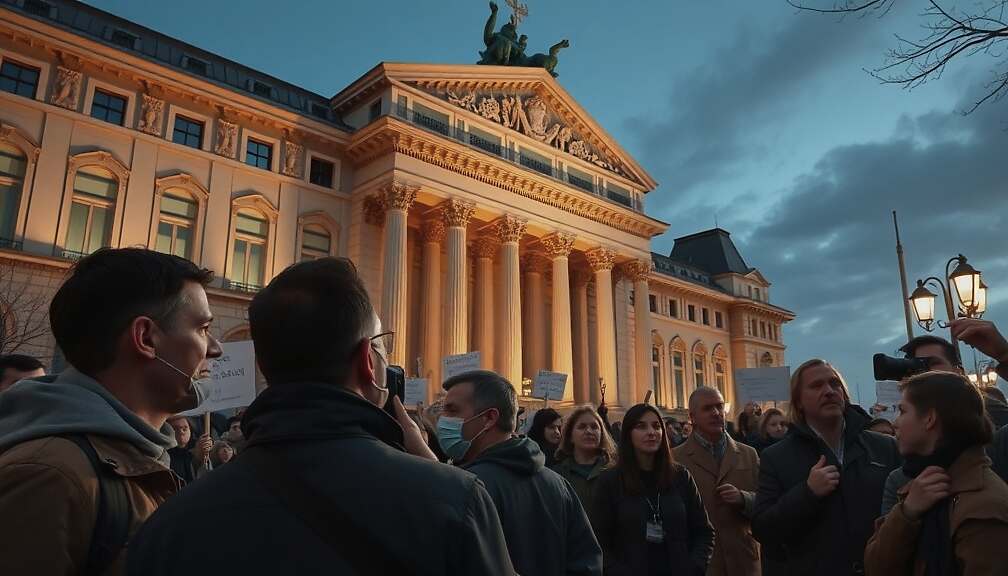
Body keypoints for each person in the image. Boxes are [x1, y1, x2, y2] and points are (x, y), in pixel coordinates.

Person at [128, 258, 515, 575]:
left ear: (263, 363)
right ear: (368, 360)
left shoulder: (169, 524)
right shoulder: (454, 501)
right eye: (381, 347)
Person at [0, 248, 223, 575]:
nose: (215, 349)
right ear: (146, 337)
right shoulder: (49, 475)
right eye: (203, 328)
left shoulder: (131, 457)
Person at [440, 370, 602, 575]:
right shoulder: (559, 484)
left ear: (489, 418)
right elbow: (587, 565)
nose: (442, 420)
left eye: (452, 411)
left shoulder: (467, 488)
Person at [752, 359, 900, 576]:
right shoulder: (776, 457)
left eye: (834, 384)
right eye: (816, 386)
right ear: (799, 401)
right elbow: (764, 529)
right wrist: (807, 493)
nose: (829, 391)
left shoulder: (885, 447)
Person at [865, 371, 1008, 575]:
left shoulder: (984, 508)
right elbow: (877, 567)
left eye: (903, 411)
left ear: (929, 419)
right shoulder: (921, 486)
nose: (895, 422)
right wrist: (907, 513)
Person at [592, 403, 715, 576]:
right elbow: (598, 540)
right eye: (641, 426)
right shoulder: (609, 481)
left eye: (657, 426)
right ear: (628, 434)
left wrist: (694, 566)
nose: (651, 432)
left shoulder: (680, 476)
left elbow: (704, 531)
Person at [674, 387, 760, 576]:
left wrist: (743, 499)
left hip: (744, 561)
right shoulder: (676, 458)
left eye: (719, 407)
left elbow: (768, 501)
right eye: (707, 408)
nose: (715, 413)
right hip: (703, 564)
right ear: (692, 417)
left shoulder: (749, 454)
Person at [552, 405, 617, 527]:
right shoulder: (556, 476)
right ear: (570, 436)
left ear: (602, 434)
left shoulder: (615, 472)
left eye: (594, 427)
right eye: (582, 427)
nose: (589, 431)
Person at [166, 415, 212, 484]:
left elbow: (207, 480)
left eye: (185, 428)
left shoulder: (199, 449)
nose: (181, 432)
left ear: (190, 430)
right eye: (175, 429)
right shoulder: (163, 455)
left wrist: (201, 459)